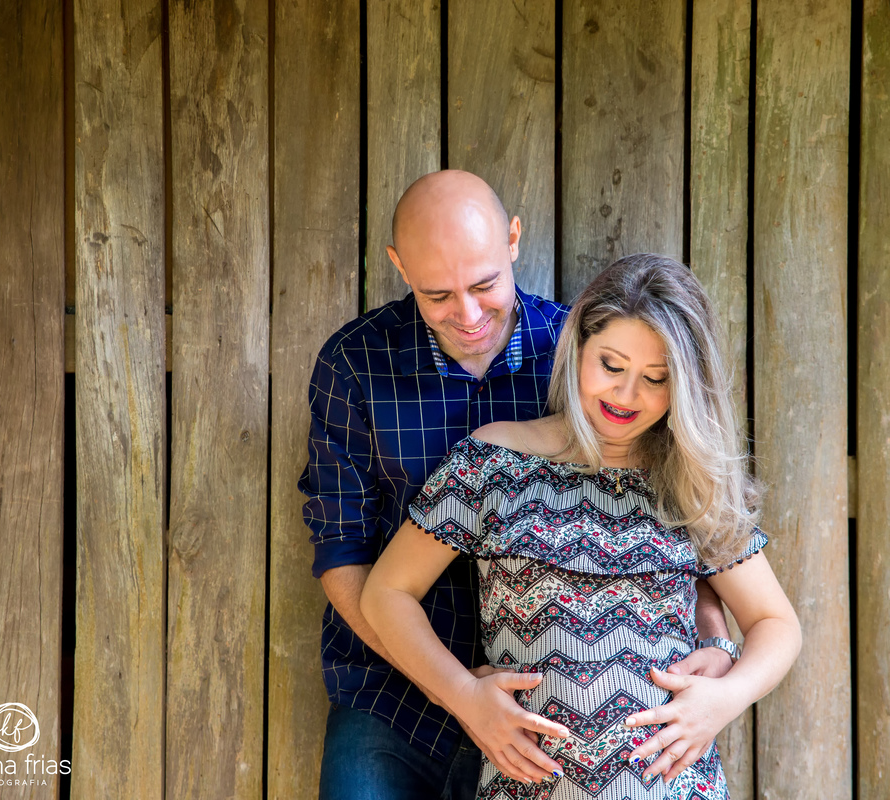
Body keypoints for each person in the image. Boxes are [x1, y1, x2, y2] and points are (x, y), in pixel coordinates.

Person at [300, 173, 737, 799]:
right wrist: (458, 693)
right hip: (392, 699)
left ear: (513, 240)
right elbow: (343, 554)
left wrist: (716, 637)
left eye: (484, 286)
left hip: (550, 725)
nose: (469, 314)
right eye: (438, 295)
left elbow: (669, 514)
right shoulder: (353, 364)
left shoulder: (589, 356)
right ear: (399, 266)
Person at [360, 254, 801, 799]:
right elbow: (386, 593)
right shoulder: (494, 460)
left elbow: (776, 623)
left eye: (655, 379)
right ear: (578, 349)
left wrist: (724, 700)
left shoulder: (690, 480)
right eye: (611, 366)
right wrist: (464, 696)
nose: (626, 394)